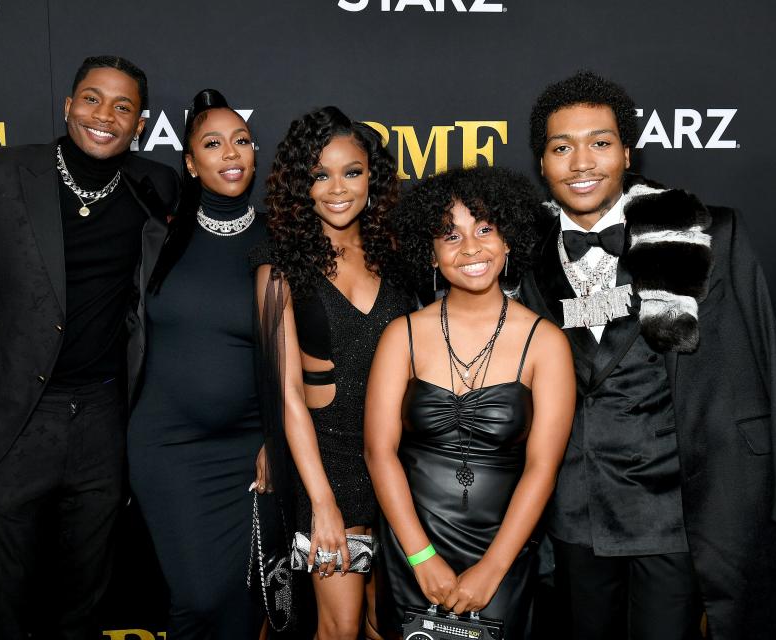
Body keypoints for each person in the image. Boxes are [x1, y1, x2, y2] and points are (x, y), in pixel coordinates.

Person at [518, 71, 776, 640]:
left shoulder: (703, 232)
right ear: (542, 161)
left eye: (600, 143)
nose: (582, 162)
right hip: (575, 508)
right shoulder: (521, 251)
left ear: (627, 152)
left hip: (673, 505)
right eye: (562, 147)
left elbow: (756, 363)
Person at [0, 55, 179, 639]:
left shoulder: (155, 185)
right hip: (11, 424)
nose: (104, 116)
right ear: (67, 105)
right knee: (3, 607)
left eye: (123, 107)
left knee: (82, 608)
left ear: (140, 123)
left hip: (103, 421)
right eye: (92, 99)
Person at [364, 166, 575, 639]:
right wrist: (420, 557)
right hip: (412, 544)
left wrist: (493, 568)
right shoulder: (402, 335)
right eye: (450, 235)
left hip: (503, 550)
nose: (471, 248)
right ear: (431, 253)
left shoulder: (545, 343)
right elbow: (379, 453)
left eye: (484, 229)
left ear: (508, 241)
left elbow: (543, 467)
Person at [256, 106, 414, 640]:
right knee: (340, 627)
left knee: (382, 623)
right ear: (300, 185)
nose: (337, 188)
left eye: (352, 171)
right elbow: (288, 395)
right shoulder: (279, 264)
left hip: (398, 463)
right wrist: (321, 502)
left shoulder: (397, 254)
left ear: (373, 175)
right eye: (319, 175)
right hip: (330, 464)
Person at [127, 89, 267, 639]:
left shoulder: (277, 241)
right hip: (168, 449)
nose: (231, 153)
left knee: (237, 604)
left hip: (251, 451)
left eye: (241, 141)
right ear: (190, 163)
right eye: (213, 143)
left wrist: (276, 445)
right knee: (199, 592)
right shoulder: (156, 237)